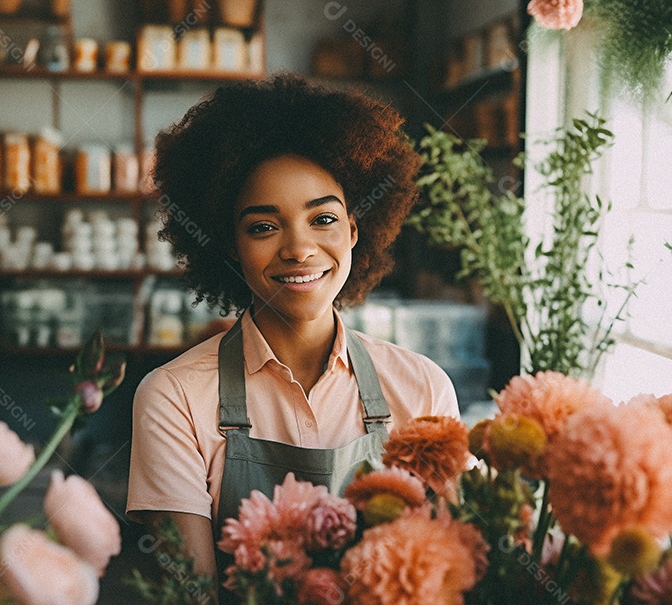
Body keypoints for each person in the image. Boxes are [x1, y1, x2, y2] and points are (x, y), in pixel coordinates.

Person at [126, 74, 460, 585]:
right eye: (264, 226)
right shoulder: (174, 398)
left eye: (322, 219)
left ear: (354, 228)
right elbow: (191, 595)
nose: (299, 249)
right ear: (230, 244)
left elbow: (449, 575)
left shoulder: (424, 389)